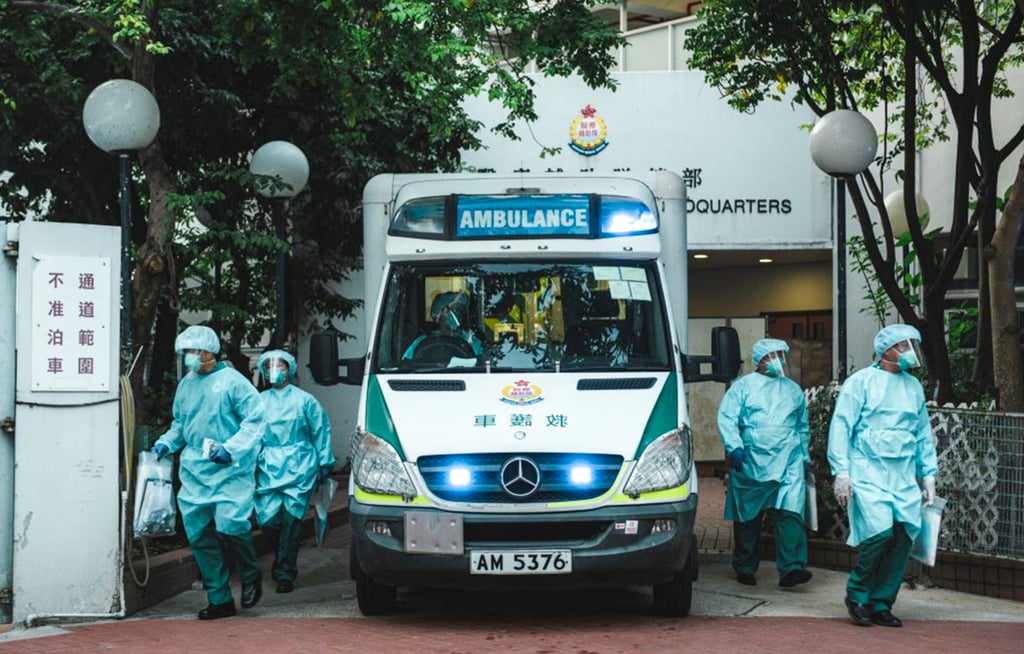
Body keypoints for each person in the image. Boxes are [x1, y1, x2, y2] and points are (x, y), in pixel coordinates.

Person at [828, 324, 938, 628]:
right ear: (885, 349)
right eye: (902, 346)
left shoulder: (913, 387)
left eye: (911, 345)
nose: (909, 352)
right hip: (867, 468)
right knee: (878, 533)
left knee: (904, 533)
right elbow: (841, 426)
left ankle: (882, 602)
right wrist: (842, 471)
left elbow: (921, 433)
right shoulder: (860, 382)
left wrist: (927, 473)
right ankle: (858, 594)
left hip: (901, 473)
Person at [151, 325, 265, 620]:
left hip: (228, 469)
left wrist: (232, 448)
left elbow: (254, 421)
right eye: (185, 352)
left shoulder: (233, 383)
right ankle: (220, 598)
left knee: (231, 525)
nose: (188, 357)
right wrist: (166, 443)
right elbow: (180, 424)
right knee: (199, 534)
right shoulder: (186, 384)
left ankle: (251, 573)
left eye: (192, 351)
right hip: (194, 471)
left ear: (208, 351)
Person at [718, 338, 813, 588]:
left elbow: (802, 426)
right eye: (772, 356)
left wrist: (804, 455)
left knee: (791, 512)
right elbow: (727, 418)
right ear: (759, 360)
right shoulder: (743, 387)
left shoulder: (792, 390)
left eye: (781, 355)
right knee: (748, 516)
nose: (778, 361)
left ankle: (792, 568)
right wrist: (735, 447)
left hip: (789, 458)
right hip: (751, 458)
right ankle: (745, 566)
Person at [254, 349, 336, 594]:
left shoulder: (305, 401)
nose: (274, 371)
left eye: (279, 366)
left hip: (299, 465)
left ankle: (284, 573)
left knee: (292, 523)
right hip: (268, 464)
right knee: (268, 521)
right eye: (268, 366)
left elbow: (320, 430)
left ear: (289, 369)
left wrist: (324, 462)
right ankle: (281, 560)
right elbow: (251, 433)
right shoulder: (258, 401)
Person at [402, 291, 484, 360]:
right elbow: (406, 363)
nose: (458, 313)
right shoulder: (421, 341)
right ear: (441, 312)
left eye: (460, 309)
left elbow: (482, 364)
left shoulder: (470, 340)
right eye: (455, 309)